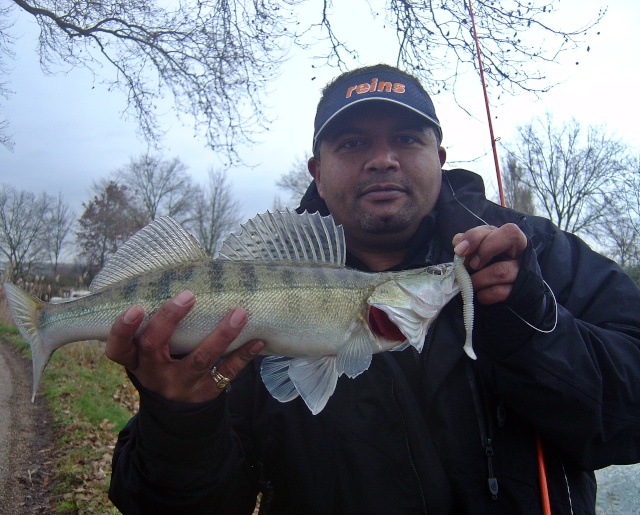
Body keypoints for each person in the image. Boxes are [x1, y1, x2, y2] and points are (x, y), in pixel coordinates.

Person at [106, 64, 640, 514]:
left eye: (407, 139)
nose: (382, 159)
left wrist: (532, 323)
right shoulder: (256, 285)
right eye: (353, 142)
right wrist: (178, 418)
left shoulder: (533, 252)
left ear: (441, 155)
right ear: (317, 171)